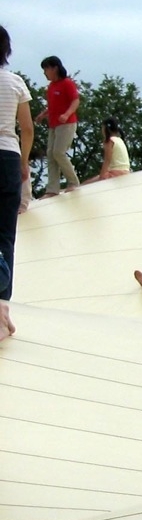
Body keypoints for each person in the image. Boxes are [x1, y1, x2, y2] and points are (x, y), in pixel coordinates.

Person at [0, 25, 34, 341]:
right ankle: (2, 310)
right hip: (8, 158)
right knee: (5, 236)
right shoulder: (15, 83)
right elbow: (26, 127)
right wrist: (24, 162)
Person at [34, 55, 80, 198]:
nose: (44, 73)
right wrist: (43, 115)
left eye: (46, 69)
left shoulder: (67, 83)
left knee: (59, 152)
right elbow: (53, 106)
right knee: (51, 154)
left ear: (54, 68)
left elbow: (75, 101)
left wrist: (67, 114)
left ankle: (73, 181)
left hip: (67, 124)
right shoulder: (51, 86)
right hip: (53, 124)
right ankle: (52, 189)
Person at [83, 117, 131, 184]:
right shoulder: (120, 140)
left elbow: (107, 160)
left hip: (115, 173)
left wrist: (101, 177)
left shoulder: (109, 141)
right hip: (126, 171)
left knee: (86, 184)